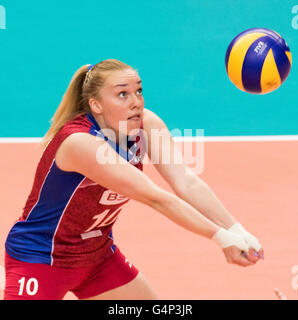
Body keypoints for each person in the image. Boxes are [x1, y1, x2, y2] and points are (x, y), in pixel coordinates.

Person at [4, 59, 264, 300]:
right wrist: (220, 238)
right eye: (122, 94)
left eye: (138, 91)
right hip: (41, 257)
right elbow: (156, 198)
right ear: (96, 105)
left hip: (98, 258)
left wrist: (236, 230)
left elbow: (185, 181)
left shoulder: (146, 124)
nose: (136, 102)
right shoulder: (80, 143)